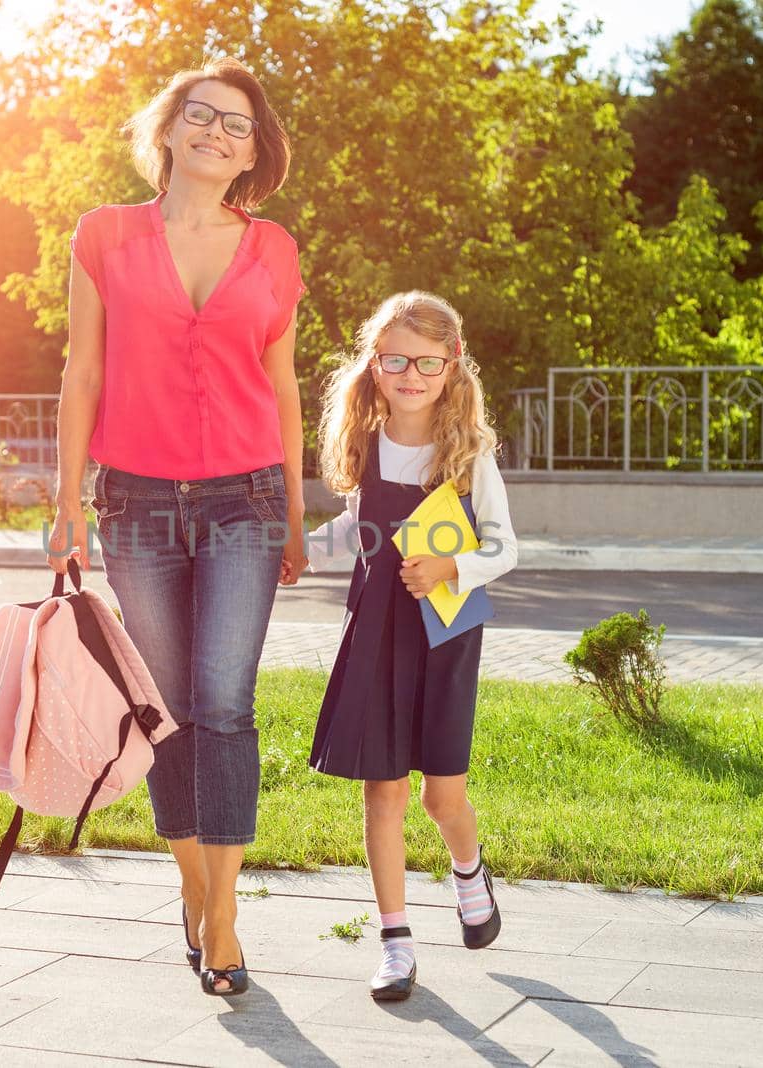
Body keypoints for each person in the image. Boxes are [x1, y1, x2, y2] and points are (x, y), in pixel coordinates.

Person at [47, 58, 306, 998]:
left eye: (236, 125)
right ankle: (193, 890)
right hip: (139, 503)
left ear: (253, 154)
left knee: (225, 704)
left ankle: (224, 915)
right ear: (167, 129)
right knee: (170, 714)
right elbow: (82, 374)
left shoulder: (273, 249)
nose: (215, 132)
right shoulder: (104, 236)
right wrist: (67, 502)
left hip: (246, 500)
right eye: (200, 115)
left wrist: (295, 509)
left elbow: (280, 385)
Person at [302, 291, 518, 1002]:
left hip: (445, 633)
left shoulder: (468, 453)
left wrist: (452, 567)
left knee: (439, 796)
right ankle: (396, 941)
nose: (411, 374)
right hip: (376, 632)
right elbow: (358, 528)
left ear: (452, 365)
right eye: (395, 359)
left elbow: (504, 548)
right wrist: (297, 554)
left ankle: (469, 870)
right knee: (383, 789)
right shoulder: (367, 444)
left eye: (427, 361)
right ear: (374, 365)